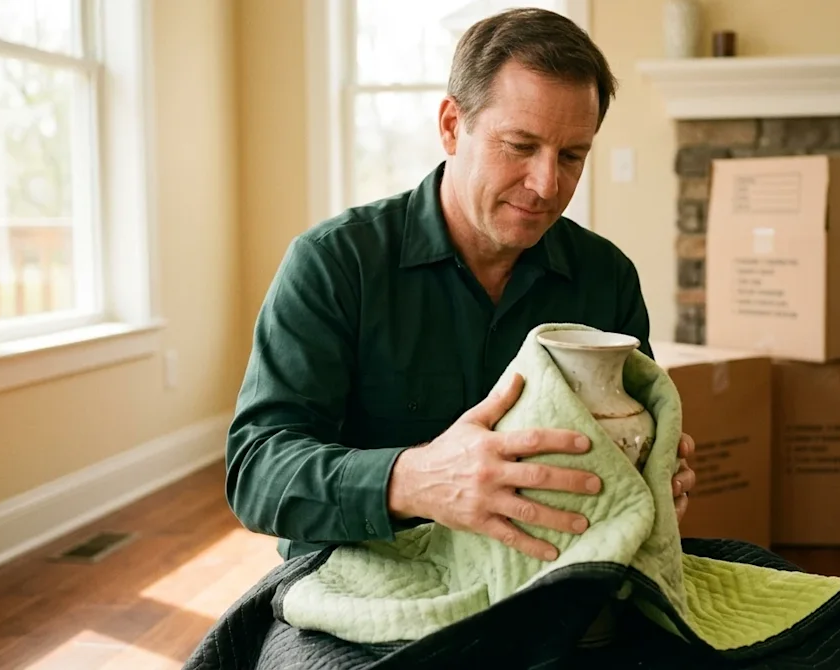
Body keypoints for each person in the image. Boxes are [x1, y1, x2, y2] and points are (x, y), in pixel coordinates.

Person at [226, 7, 696, 565]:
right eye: (520, 145)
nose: (546, 184)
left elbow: (635, 455)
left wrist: (655, 477)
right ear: (452, 125)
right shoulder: (334, 263)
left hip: (550, 574)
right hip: (366, 574)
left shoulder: (607, 278)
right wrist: (412, 479)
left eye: (572, 156)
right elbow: (256, 471)